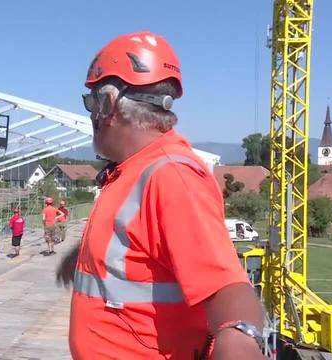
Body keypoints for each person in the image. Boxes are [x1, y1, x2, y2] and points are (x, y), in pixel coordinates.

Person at [58, 31, 265, 359]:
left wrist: (239, 339)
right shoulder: (132, 170)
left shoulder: (171, 176)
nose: (90, 115)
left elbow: (228, 288)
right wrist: (85, 258)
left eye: (91, 102)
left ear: (108, 104)